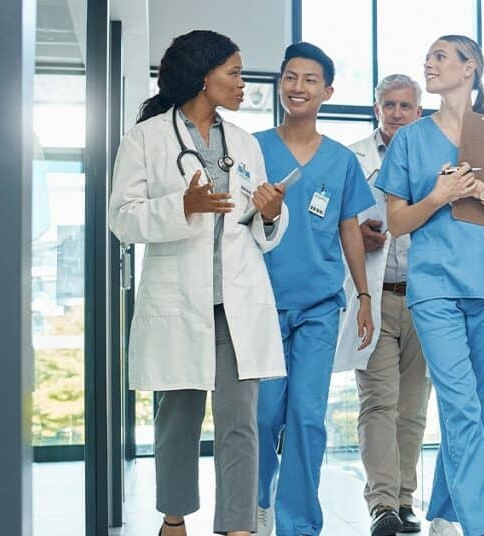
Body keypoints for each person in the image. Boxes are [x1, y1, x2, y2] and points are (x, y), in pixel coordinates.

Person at [108, 30, 288, 536]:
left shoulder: (246, 142)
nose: (241, 82)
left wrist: (271, 214)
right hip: (178, 301)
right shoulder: (145, 139)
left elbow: (256, 224)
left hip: (236, 303)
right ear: (202, 76)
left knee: (240, 424)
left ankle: (238, 526)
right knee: (177, 422)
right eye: (232, 72)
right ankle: (174, 518)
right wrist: (181, 206)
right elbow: (122, 219)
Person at [374, 35, 484, 536]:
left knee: (476, 409)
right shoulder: (409, 140)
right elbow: (397, 222)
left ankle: (444, 509)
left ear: (470, 69)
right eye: (428, 57)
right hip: (435, 290)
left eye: (441, 56)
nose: (429, 63)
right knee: (460, 403)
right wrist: (441, 195)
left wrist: (481, 190)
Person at [254, 42, 376, 536]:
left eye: (309, 80)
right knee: (262, 417)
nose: (297, 87)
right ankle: (257, 502)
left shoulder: (341, 160)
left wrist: (364, 297)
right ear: (280, 84)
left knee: (307, 417)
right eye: (289, 77)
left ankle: (298, 523)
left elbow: (350, 227)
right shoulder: (253, 148)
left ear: (327, 91)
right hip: (260, 304)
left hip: (321, 307)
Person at [334, 74, 431, 536]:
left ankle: (406, 500)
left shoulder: (435, 156)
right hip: (373, 297)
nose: (396, 112)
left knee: (412, 409)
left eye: (405, 105)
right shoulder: (352, 158)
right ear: (376, 109)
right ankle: (382, 505)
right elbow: (334, 223)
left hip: (425, 301)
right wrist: (354, 234)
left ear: (419, 111)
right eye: (388, 104)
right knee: (378, 403)